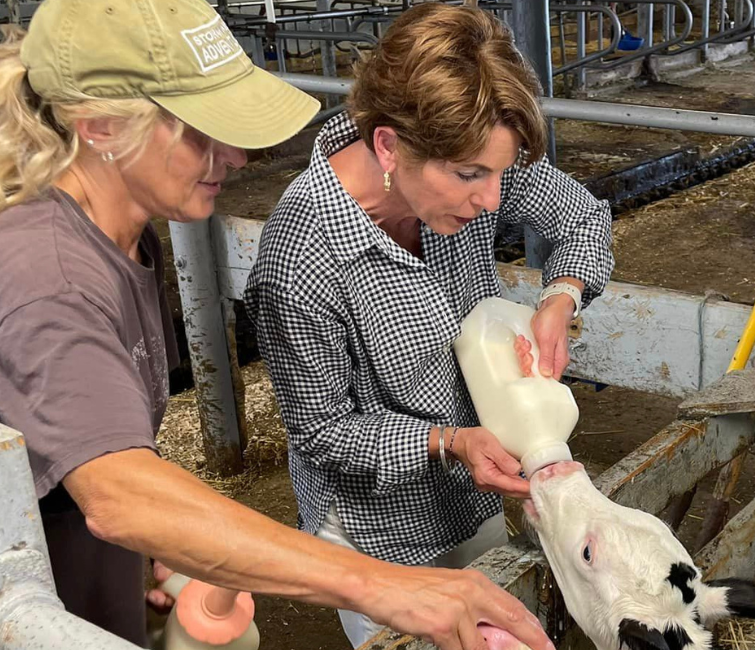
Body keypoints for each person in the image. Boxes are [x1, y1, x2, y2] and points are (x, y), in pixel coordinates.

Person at [0, 2, 553, 650]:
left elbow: (92, 456)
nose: (238, 156)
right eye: (199, 131)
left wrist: (158, 552)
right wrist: (388, 586)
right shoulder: (47, 279)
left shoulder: (123, 243)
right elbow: (120, 495)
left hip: (23, 595)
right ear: (99, 124)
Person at [242, 3, 614, 646]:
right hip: (375, 538)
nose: (493, 200)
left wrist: (561, 295)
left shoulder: (471, 162)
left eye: (501, 172)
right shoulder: (301, 257)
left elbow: (582, 219)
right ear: (388, 144)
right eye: (471, 176)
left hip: (473, 496)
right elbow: (323, 431)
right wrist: (449, 442)